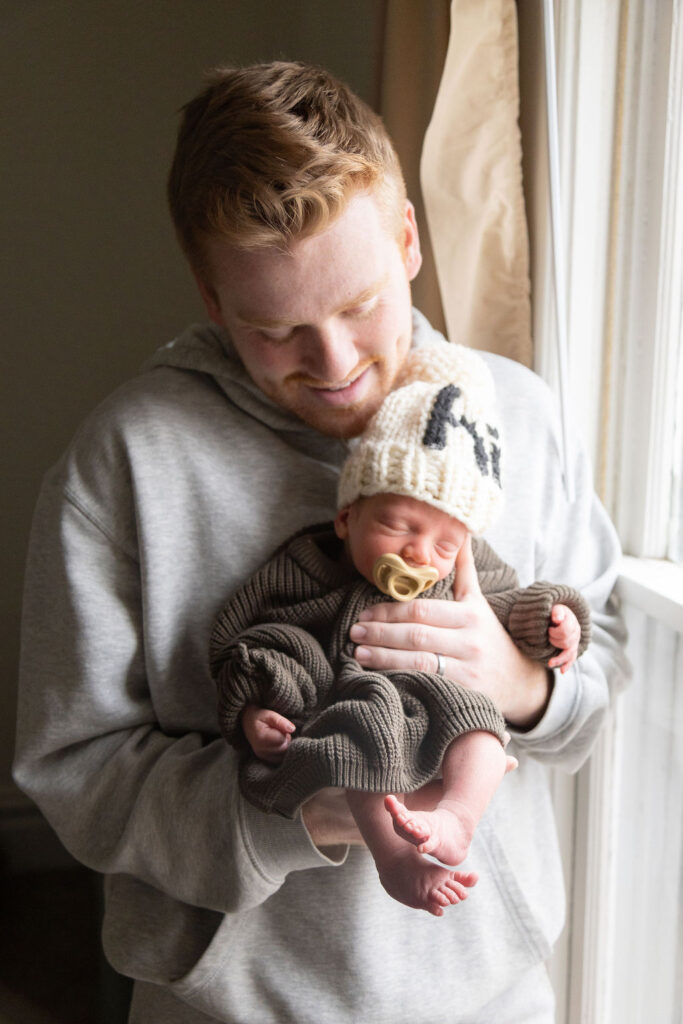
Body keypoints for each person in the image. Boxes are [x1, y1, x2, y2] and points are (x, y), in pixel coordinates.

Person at [14, 61, 628, 1022]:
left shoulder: (520, 414)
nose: (335, 365)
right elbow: (76, 768)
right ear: (214, 303)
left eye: (358, 306)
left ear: (410, 240)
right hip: (233, 1006)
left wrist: (519, 682)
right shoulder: (128, 461)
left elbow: (603, 674)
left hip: (493, 997)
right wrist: (300, 804)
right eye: (276, 330)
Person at [210, 341, 591, 918]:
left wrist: (554, 621)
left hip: (451, 704)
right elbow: (262, 635)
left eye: (444, 543)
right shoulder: (312, 567)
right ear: (347, 517)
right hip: (363, 703)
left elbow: (516, 605)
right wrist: (259, 703)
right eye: (397, 525)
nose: (419, 552)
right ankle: (397, 861)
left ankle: (457, 819)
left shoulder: (473, 569)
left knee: (483, 734)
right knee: (360, 745)